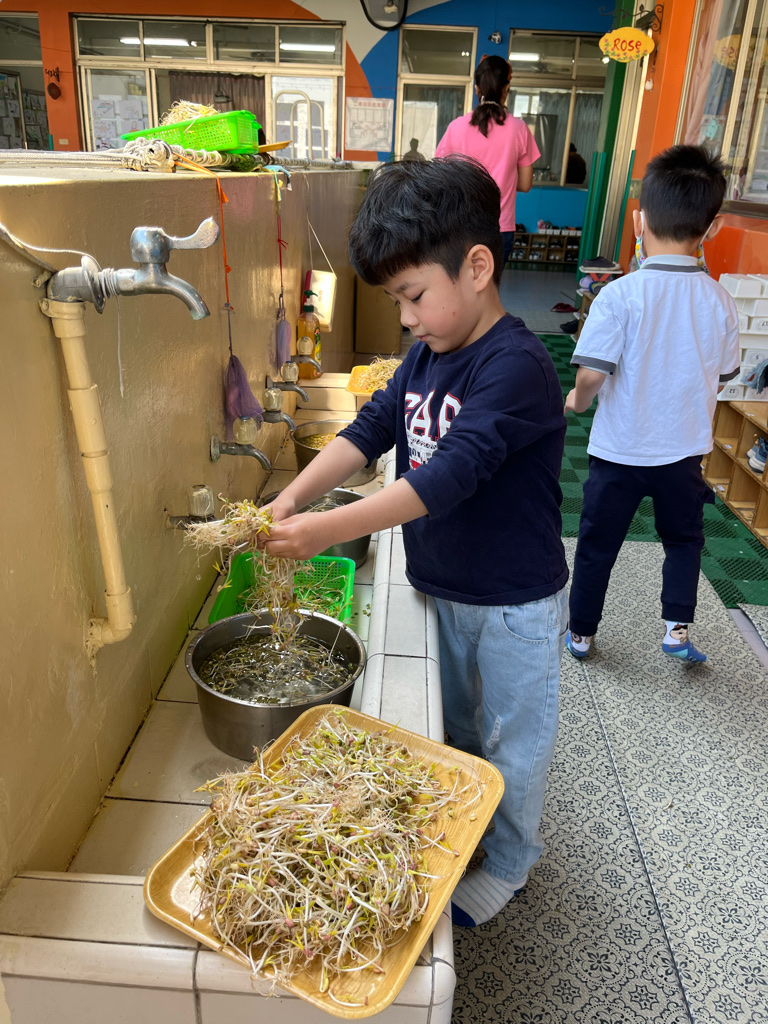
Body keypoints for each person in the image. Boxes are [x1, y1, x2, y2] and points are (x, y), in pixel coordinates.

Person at [262, 155, 568, 927]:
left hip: (512, 601)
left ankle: (512, 861)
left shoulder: (517, 366)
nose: (406, 318)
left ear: (477, 267)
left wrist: (322, 529)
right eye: (397, 300)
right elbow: (369, 430)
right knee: (460, 726)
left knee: (515, 741)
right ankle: (473, 821)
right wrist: (292, 495)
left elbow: (449, 477)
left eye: (413, 295)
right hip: (446, 585)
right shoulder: (426, 357)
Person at [564, 144, 740, 664]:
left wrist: (578, 399)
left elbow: (592, 374)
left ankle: (581, 634)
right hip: (683, 453)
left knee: (597, 544)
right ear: (712, 228)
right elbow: (724, 373)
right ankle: (676, 631)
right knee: (684, 541)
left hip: (618, 452)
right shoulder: (720, 300)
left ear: (639, 221)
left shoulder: (619, 295)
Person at [435, 54, 539, 270]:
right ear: (506, 88)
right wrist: (503, 178)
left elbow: (438, 177)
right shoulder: (519, 129)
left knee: (460, 285)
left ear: (476, 89)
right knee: (490, 287)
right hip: (501, 228)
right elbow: (525, 184)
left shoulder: (456, 127)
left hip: (461, 225)